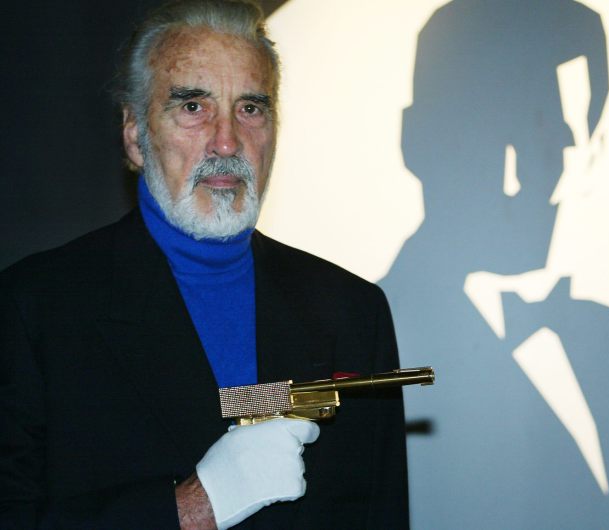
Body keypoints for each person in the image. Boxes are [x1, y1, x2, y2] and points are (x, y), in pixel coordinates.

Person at [0, 1, 407, 528]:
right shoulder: (32, 309)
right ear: (134, 136)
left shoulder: (352, 310)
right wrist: (188, 509)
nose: (226, 140)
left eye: (250, 108)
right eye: (193, 107)